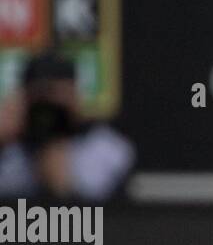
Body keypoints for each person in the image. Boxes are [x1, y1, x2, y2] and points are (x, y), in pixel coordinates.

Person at [0, 50, 135, 203]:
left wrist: (64, 185)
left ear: (76, 95)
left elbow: (120, 218)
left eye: (56, 93)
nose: (48, 107)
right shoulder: (11, 147)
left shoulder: (106, 147)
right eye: (40, 96)